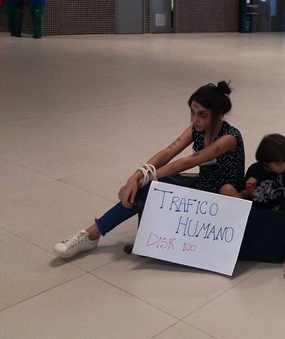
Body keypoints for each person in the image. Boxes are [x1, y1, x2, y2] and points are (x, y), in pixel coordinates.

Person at [53, 81, 247, 259]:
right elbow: (170, 151)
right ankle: (93, 234)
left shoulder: (229, 137)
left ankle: (94, 234)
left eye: (202, 114)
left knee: (149, 185)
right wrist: (137, 174)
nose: (195, 119)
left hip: (224, 192)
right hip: (204, 184)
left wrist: (143, 179)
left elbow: (188, 162)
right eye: (193, 112)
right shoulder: (197, 129)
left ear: (218, 114)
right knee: (150, 186)